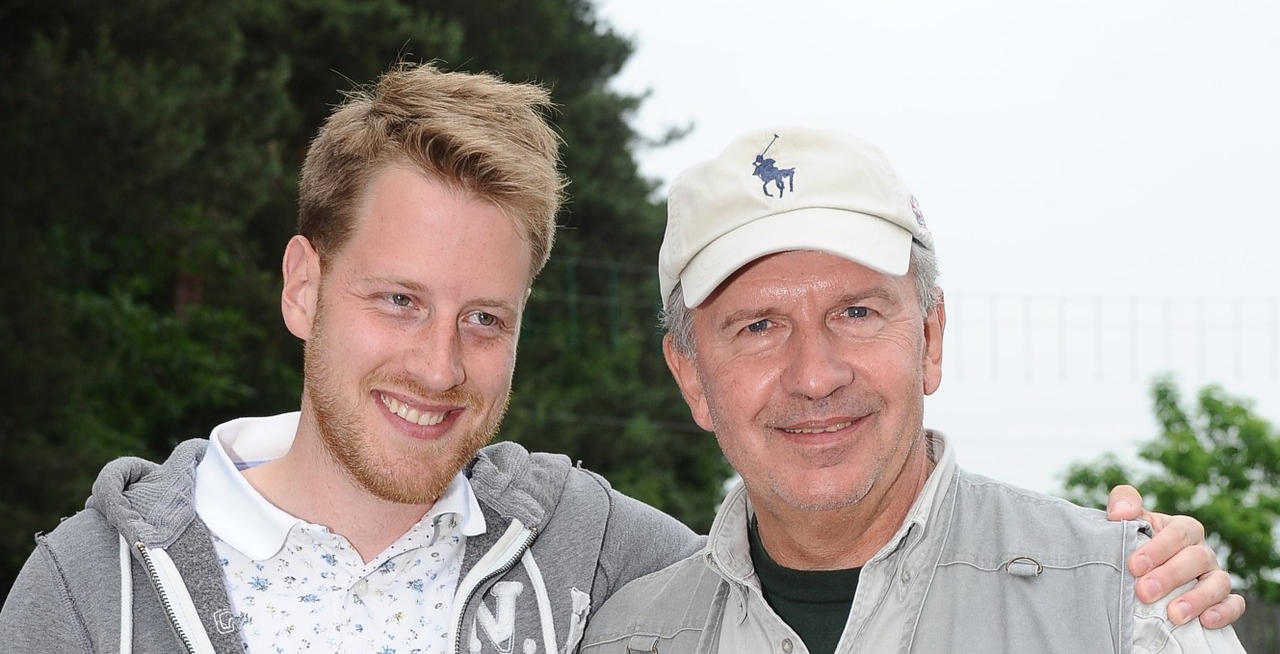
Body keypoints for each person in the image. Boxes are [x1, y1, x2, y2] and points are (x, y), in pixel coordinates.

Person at [0, 68, 1239, 653]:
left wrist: (1119, 567)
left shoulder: (596, 564)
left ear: (930, 332)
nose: (439, 362)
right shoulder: (87, 592)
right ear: (301, 285)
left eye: (485, 316)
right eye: (396, 299)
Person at [579, 126, 1248, 653]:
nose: (815, 376)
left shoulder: (1127, 609)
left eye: (857, 313)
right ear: (692, 376)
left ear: (931, 338)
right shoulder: (622, 640)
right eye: (758, 326)